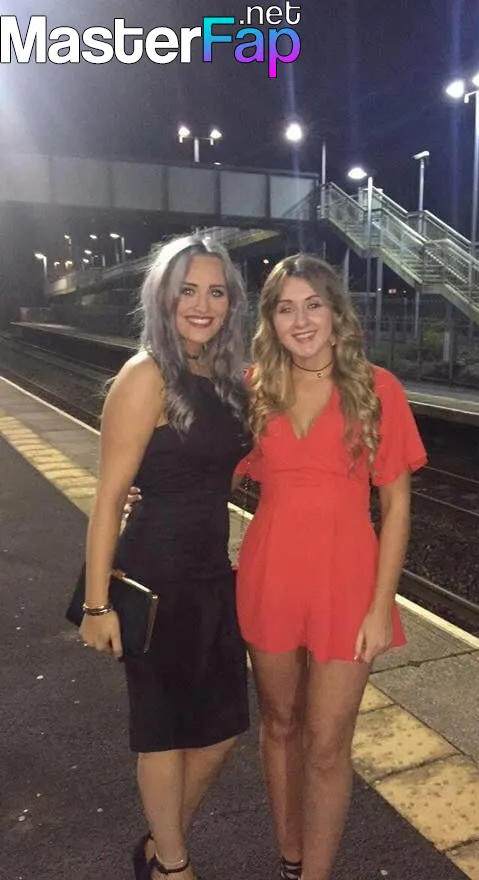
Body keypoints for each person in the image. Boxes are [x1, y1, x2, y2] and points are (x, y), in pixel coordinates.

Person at [233, 254, 427, 880]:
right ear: (270, 320)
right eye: (286, 308)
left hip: (348, 585)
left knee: (327, 743)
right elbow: (206, 471)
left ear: (336, 313)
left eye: (313, 304)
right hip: (270, 577)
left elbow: (396, 506)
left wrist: (381, 605)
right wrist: (146, 492)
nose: (301, 320)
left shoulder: (377, 389)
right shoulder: (253, 388)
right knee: (279, 725)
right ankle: (289, 858)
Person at [79, 236, 251, 880]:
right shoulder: (145, 375)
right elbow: (108, 499)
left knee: (221, 731)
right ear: (163, 298)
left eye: (215, 292)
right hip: (153, 577)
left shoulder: (221, 379)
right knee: (163, 731)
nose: (202, 305)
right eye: (188, 291)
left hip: (210, 576)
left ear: (231, 303)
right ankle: (173, 867)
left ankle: (158, 843)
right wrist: (97, 604)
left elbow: (214, 469)